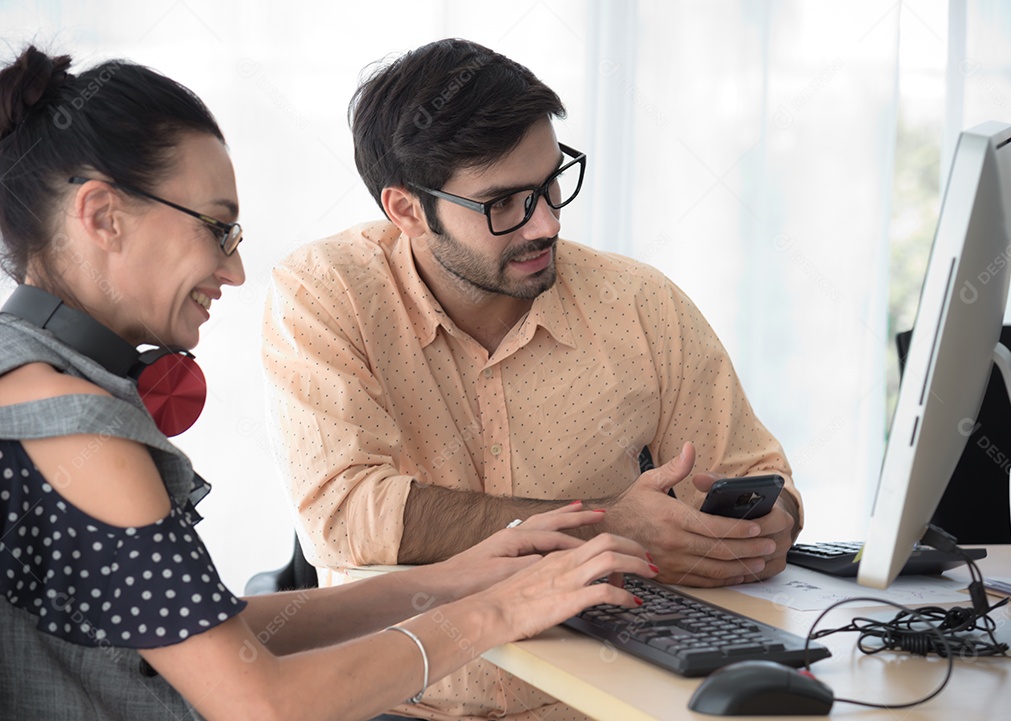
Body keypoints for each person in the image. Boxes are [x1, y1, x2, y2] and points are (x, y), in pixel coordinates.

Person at [0, 45, 660, 721]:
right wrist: (500, 610)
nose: (234, 272)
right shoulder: (70, 421)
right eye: (218, 229)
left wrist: (455, 579)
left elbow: (205, 637)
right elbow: (263, 702)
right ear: (103, 215)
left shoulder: (23, 379)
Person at [262, 38, 804, 721]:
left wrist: (756, 529)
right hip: (404, 703)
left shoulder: (639, 302)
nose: (546, 223)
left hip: (601, 702)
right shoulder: (327, 291)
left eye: (551, 183)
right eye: (504, 204)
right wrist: (606, 526)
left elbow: (762, 478)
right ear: (405, 210)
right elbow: (344, 514)